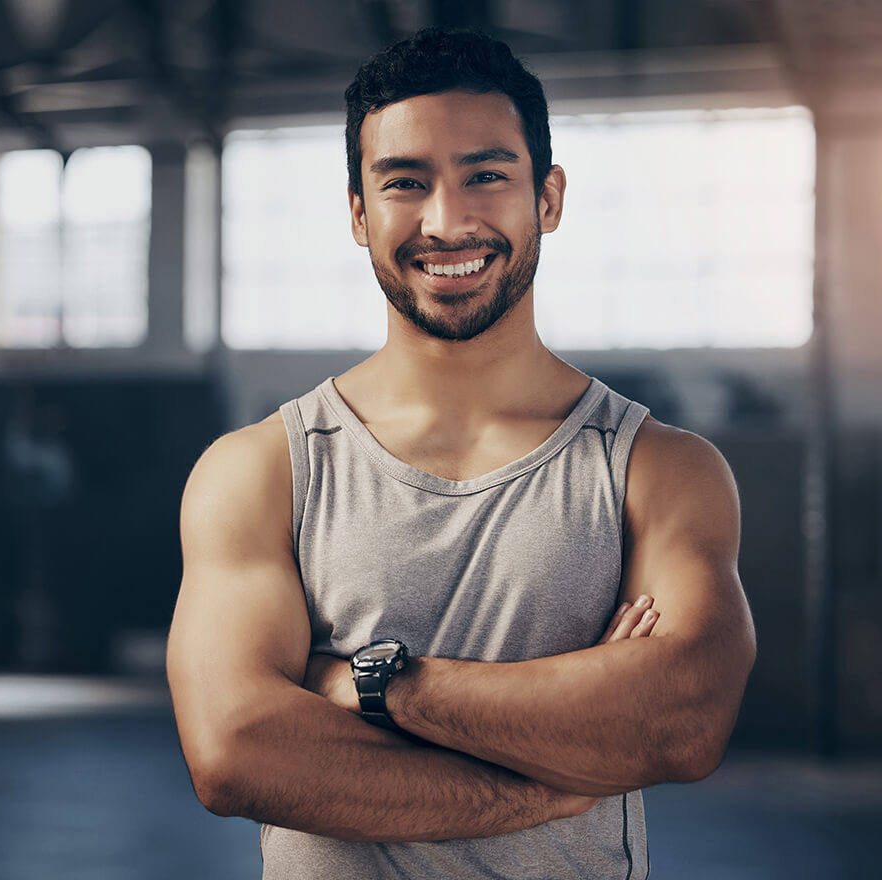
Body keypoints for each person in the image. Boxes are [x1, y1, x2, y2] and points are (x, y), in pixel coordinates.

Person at [166, 27, 756, 879]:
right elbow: (236, 753)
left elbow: (681, 724)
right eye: (406, 183)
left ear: (547, 198)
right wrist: (554, 777)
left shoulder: (658, 469)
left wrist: (371, 685)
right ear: (359, 214)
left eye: (486, 175)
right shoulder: (261, 472)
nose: (447, 222)